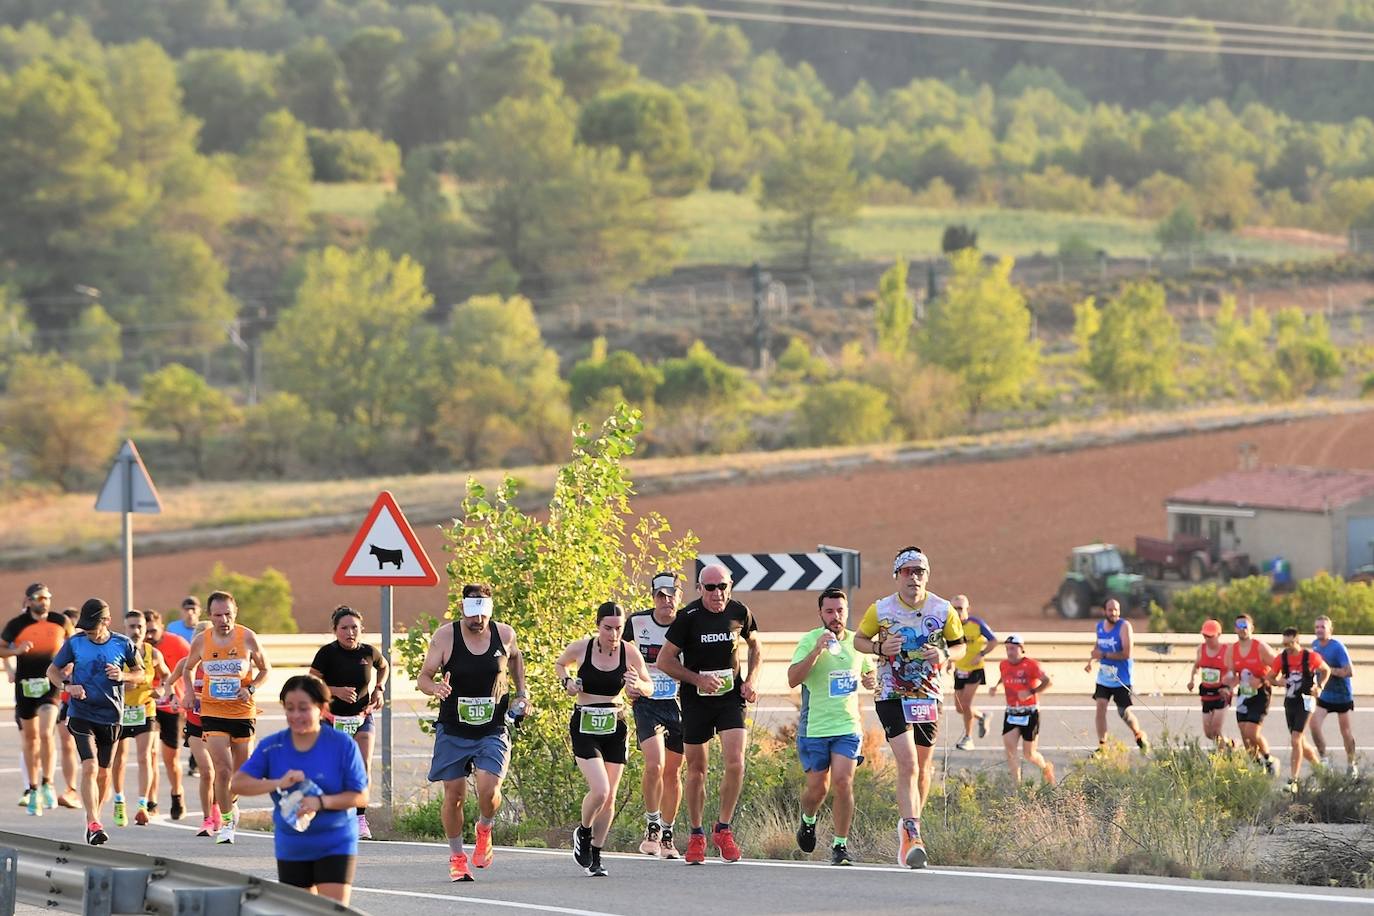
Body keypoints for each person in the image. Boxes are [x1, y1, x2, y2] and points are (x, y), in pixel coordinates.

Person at [853, 547, 965, 870]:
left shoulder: (943, 609)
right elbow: (858, 640)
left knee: (924, 768)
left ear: (927, 575)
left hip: (927, 695)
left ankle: (911, 825)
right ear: (897, 575)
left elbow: (960, 646)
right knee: (908, 763)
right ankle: (912, 833)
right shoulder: (882, 609)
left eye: (920, 571)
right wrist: (878, 647)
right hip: (891, 693)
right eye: (908, 571)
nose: (914, 577)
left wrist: (944, 654)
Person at [418, 583, 530, 883]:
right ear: (462, 609)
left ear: (490, 612)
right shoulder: (445, 636)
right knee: (454, 794)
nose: (477, 620)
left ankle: (484, 829)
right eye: (472, 613)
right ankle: (457, 857)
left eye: (482, 614)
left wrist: (522, 694)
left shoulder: (504, 634)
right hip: (454, 728)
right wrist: (435, 688)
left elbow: (516, 658)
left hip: (492, 727)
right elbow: (424, 676)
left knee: (489, 790)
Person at [654, 564, 762, 865]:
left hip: (729, 699)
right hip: (696, 701)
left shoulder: (740, 611)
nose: (718, 593)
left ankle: (724, 829)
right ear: (700, 588)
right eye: (710, 588)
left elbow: (757, 647)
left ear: (731, 586)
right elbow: (664, 660)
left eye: (723, 587)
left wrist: (752, 680)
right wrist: (698, 679)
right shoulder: (688, 618)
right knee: (697, 769)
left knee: (736, 762)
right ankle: (697, 833)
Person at [231, 674, 368, 905]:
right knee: (300, 911)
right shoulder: (272, 745)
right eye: (290, 708)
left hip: (335, 841)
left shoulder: (341, 744)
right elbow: (237, 784)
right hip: (292, 843)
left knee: (331, 911)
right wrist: (277, 783)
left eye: (303, 708)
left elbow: (360, 795)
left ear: (322, 708)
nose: (295, 716)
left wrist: (321, 802)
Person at [557, 602, 655, 877]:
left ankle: (596, 855)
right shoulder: (582, 648)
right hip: (585, 723)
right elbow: (560, 664)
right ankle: (584, 831)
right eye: (607, 628)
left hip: (615, 724)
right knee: (599, 790)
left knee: (610, 797)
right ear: (598, 625)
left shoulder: (629, 652)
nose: (613, 634)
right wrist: (567, 682)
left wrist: (638, 686)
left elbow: (649, 685)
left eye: (618, 628)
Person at [788, 587, 876, 866]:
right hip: (814, 727)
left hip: (847, 727)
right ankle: (808, 819)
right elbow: (792, 678)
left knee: (843, 781)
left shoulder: (856, 642)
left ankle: (840, 846)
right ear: (820, 614)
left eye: (840, 611)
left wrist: (871, 679)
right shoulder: (810, 640)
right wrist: (816, 650)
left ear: (847, 612)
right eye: (829, 611)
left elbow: (868, 670)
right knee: (817, 790)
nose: (836, 616)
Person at [46, 598, 141, 846]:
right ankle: (94, 823)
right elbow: (52, 672)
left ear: (107, 622)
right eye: (84, 627)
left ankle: (93, 818)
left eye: (93, 627)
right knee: (89, 765)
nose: (87, 632)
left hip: (111, 716)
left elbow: (141, 674)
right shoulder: (75, 643)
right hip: (81, 713)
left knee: (104, 774)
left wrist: (123, 675)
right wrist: (68, 686)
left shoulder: (123, 643)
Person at [181, 591, 270, 845]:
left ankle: (232, 803)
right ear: (210, 616)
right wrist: (189, 692)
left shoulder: (247, 637)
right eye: (218, 615)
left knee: (240, 774)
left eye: (228, 614)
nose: (223, 619)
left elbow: (266, 669)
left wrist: (250, 688)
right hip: (212, 711)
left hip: (242, 711)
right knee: (222, 768)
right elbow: (187, 668)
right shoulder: (202, 640)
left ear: (235, 612)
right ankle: (227, 821)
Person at [308, 605, 389, 841]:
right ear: (335, 630)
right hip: (331, 719)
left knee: (363, 766)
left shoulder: (368, 652)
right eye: (344, 628)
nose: (350, 632)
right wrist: (334, 691)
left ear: (361, 629)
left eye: (354, 627)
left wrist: (379, 689)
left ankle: (360, 819)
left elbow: (383, 666)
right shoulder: (327, 654)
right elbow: (311, 681)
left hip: (362, 717)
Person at [624, 572, 686, 859]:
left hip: (679, 703)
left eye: (671, 594)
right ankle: (651, 826)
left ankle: (668, 833)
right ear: (653, 597)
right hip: (647, 702)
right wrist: (626, 686)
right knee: (654, 764)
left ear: (679, 597)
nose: (666, 600)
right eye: (660, 595)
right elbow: (616, 655)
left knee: (673, 771)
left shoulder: (688, 623)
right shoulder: (637, 623)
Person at [1, 583, 73, 816]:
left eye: (47, 597)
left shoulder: (60, 621)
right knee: (31, 739)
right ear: (29, 601)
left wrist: (70, 665)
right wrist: (16, 651)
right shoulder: (17, 625)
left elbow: (75, 646)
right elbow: (1, 648)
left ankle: (48, 783)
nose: (44, 601)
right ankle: (32, 789)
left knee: (45, 732)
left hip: (49, 685)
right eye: (39, 597)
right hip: (25, 687)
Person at [110, 611, 168, 827]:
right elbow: (105, 678)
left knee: (145, 757)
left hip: (145, 709)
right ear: (124, 629)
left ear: (146, 629)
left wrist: (162, 689)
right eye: (131, 627)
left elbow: (167, 675)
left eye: (140, 627)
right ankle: (119, 800)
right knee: (120, 758)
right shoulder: (117, 652)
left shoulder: (153, 653)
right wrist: (122, 683)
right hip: (121, 711)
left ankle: (143, 805)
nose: (136, 631)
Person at [169, 621, 219, 836]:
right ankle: (207, 819)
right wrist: (175, 697)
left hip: (219, 723)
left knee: (222, 772)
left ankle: (219, 807)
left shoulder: (220, 663)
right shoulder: (186, 663)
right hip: (195, 724)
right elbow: (169, 682)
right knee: (207, 772)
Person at [1084, 598, 1150, 757]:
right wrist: (1091, 661)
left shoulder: (1124, 627)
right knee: (1100, 708)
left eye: (1116, 610)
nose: (1113, 613)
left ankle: (1139, 735)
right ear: (1104, 611)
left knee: (1124, 713)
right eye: (1110, 610)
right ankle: (1102, 746)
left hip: (1122, 679)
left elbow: (1127, 653)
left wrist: (1104, 655)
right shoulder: (1099, 627)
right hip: (1104, 678)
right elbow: (1098, 647)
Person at [1268, 626, 1329, 793]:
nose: (1287, 648)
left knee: (1295, 739)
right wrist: (1279, 682)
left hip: (1307, 700)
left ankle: (1293, 780)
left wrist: (1320, 686)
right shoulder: (1282, 659)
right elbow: (1270, 677)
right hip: (1291, 701)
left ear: (1297, 641)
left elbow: (1325, 670)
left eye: (1289, 644)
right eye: (1284, 644)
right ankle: (1318, 768)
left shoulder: (1310, 657)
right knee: (1300, 741)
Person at [989, 635, 1055, 785]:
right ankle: (1016, 785)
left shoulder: (1031, 665)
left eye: (1012, 648)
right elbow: (1004, 677)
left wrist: (1031, 692)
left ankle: (1046, 768)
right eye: (1007, 648)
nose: (1009, 652)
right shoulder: (1003, 664)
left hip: (1030, 712)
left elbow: (1048, 681)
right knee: (1010, 750)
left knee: (1029, 754)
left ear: (1021, 648)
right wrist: (996, 687)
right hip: (1012, 712)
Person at [145, 610, 190, 819]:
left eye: (153, 630)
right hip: (147, 706)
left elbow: (193, 665)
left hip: (172, 706)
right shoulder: (138, 647)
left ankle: (177, 793)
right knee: (150, 753)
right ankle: (151, 801)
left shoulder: (177, 643)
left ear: (161, 626)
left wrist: (184, 693)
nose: (149, 635)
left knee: (170, 758)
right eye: (146, 631)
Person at [1225, 612, 1279, 776]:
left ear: (1251, 628)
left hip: (1261, 693)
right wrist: (1228, 685)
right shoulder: (1232, 650)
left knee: (1252, 733)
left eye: (1245, 626)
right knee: (1244, 734)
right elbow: (1231, 674)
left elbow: (1278, 665)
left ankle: (1269, 759)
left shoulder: (1260, 647)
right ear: (1235, 629)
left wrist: (1262, 679)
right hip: (1244, 694)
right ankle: (1256, 766)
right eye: (1239, 626)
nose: (1242, 629)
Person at [1309, 615, 1358, 777]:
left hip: (1342, 695)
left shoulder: (1337, 647)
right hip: (1324, 695)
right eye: (1317, 627)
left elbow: (1350, 671)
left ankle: (1352, 764)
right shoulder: (1315, 646)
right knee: (1314, 725)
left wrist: (1329, 670)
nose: (1319, 630)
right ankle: (1324, 760)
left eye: (1322, 627)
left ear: (1330, 630)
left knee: (1345, 731)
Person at [948, 594, 996, 751]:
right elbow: (949, 646)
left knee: (967, 704)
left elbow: (993, 641)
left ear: (968, 609)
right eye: (954, 608)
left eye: (960, 608)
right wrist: (949, 661)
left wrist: (981, 654)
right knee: (960, 708)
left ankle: (968, 738)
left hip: (975, 669)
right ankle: (982, 716)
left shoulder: (977, 623)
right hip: (959, 669)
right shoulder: (949, 626)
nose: (957, 611)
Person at [1186, 619, 1233, 749]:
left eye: (1210, 636)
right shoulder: (1201, 649)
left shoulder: (1226, 650)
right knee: (1209, 733)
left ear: (1218, 635)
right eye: (1205, 636)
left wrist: (1228, 687)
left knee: (1216, 729)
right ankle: (1229, 744)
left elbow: (1233, 672)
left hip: (1221, 692)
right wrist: (1192, 680)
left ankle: (1222, 759)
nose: (1207, 639)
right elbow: (1196, 667)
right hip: (1206, 693)